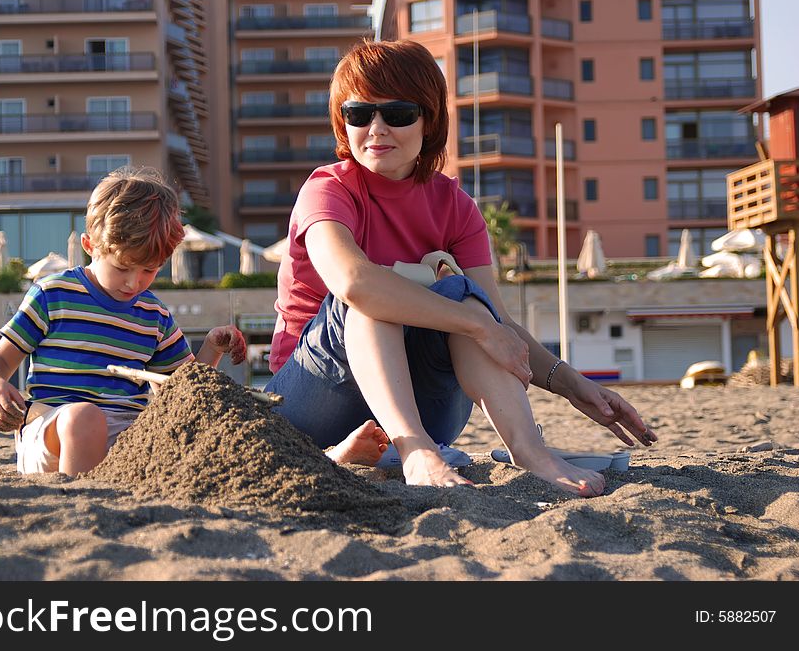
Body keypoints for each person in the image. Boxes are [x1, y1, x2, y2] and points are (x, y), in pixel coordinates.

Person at [265, 40, 657, 496]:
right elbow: (354, 283)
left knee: (467, 297)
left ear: (427, 119)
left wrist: (574, 386)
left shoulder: (454, 205)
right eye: (359, 113)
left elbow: (500, 324)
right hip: (315, 397)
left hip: (426, 402)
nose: (376, 128)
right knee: (379, 297)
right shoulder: (328, 189)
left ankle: (529, 451)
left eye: (397, 113)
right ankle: (412, 452)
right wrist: (477, 323)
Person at [0, 168, 246, 476]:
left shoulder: (153, 316)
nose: (134, 283)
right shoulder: (54, 294)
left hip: (126, 439)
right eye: (122, 268)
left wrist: (212, 347)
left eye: (149, 270)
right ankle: (83, 503)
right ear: (90, 246)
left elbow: (183, 389)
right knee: (85, 419)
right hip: (53, 429)